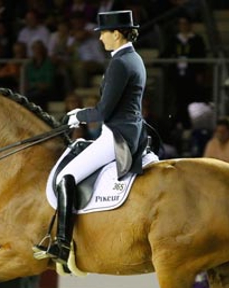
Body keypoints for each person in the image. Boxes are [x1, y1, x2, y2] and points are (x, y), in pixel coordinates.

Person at [33, 10, 147, 267]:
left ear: (116, 33)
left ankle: (62, 245)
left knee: (65, 177)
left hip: (117, 135)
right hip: (130, 130)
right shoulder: (134, 58)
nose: (100, 39)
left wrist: (78, 116)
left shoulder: (121, 62)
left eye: (104, 33)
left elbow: (104, 111)